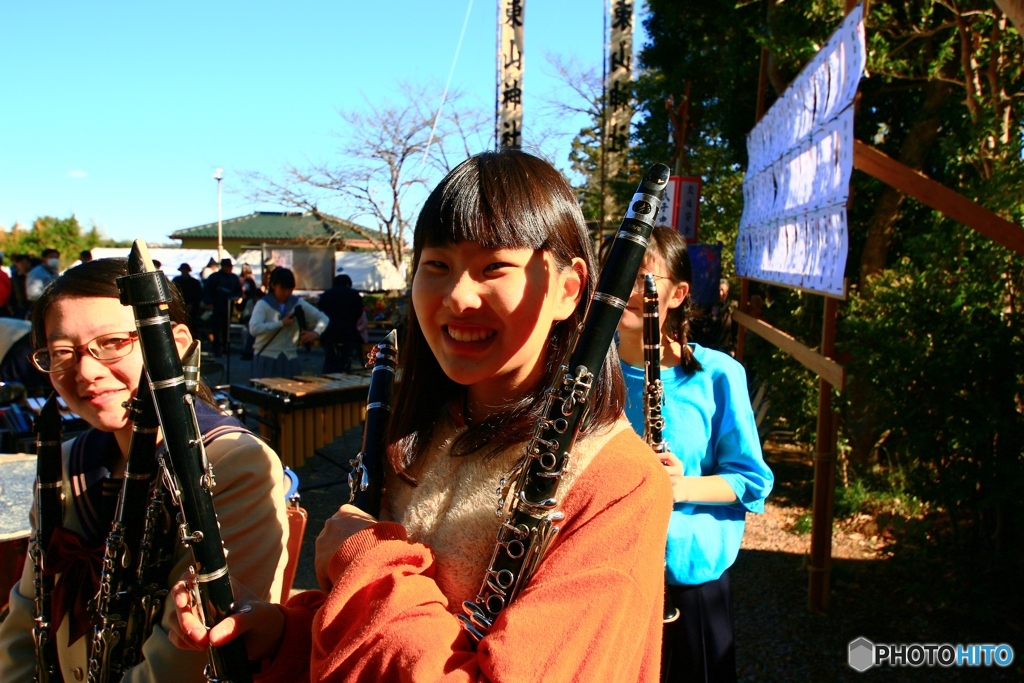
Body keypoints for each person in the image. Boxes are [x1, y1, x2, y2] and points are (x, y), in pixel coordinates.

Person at [170, 150, 673, 682]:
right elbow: (363, 638)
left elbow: (384, 600)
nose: (457, 296)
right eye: (437, 266)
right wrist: (281, 635)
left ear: (568, 289)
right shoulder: (422, 433)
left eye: (493, 267)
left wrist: (366, 560)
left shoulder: (619, 483)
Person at [0, 258, 291, 682]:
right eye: (62, 352)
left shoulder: (233, 464)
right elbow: (25, 615)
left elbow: (181, 663)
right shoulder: (65, 462)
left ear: (175, 344)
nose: (85, 371)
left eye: (113, 342)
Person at [615, 227, 774, 683]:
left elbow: (750, 480)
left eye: (642, 277)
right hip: (607, 572)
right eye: (617, 273)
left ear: (679, 293)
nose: (626, 289)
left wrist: (677, 486)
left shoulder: (718, 374)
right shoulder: (586, 374)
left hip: (688, 581)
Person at [248, 267, 328, 379]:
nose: (286, 293)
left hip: (289, 357)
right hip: (267, 356)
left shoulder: (297, 303)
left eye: (289, 289)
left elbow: (323, 318)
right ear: (273, 286)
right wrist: (281, 323)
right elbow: (254, 328)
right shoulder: (263, 304)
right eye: (283, 289)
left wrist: (316, 333)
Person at [316, 273, 364, 373]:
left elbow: (320, 313)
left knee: (330, 359)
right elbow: (358, 312)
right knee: (345, 359)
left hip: (329, 333)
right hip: (348, 333)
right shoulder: (354, 295)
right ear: (348, 284)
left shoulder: (326, 295)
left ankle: (328, 379)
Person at [203, 258, 242, 356]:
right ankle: (217, 349)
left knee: (226, 329)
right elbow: (206, 291)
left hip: (229, 306)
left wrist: (238, 297)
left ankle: (226, 347)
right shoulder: (214, 277)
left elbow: (238, 291)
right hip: (217, 306)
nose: (230, 269)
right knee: (217, 329)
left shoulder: (234, 278)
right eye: (228, 267)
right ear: (223, 267)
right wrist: (209, 303)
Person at [173, 263, 205, 337]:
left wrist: (192, 304)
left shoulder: (194, 282)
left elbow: (198, 295)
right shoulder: (176, 280)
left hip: (192, 306)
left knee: (192, 323)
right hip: (180, 306)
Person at [10, 254, 31, 318]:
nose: (24, 265)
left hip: (31, 306)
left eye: (26, 262)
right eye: (21, 263)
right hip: (19, 307)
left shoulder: (34, 276)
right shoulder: (15, 278)